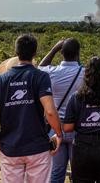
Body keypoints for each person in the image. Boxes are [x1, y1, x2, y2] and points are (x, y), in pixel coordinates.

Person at [0, 33, 63, 182]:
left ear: (16, 52)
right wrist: (58, 134)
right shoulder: (41, 77)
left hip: (10, 148)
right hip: (38, 148)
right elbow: (50, 112)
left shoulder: (1, 80)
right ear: (35, 53)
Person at [39, 38, 85, 183]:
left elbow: (40, 67)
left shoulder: (51, 72)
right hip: (77, 128)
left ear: (61, 53)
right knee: (78, 172)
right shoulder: (85, 73)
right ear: (78, 53)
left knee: (57, 172)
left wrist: (54, 48)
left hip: (55, 127)